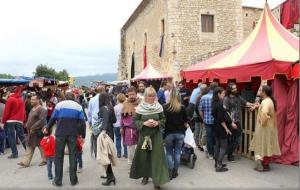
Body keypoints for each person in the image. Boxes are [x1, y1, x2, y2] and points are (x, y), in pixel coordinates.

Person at [43, 92, 86, 187]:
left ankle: (58, 181)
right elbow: (82, 123)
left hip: (60, 134)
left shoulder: (59, 105)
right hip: (73, 135)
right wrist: (83, 136)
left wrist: (47, 128)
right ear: (73, 98)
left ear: (65, 97)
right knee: (73, 156)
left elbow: (53, 118)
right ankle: (73, 180)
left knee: (58, 157)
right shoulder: (78, 107)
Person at [130, 87, 169, 190]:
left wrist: (158, 123)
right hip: (144, 137)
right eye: (149, 96)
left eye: (153, 95)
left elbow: (163, 119)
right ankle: (145, 176)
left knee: (157, 158)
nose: (151, 98)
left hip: (156, 136)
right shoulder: (139, 108)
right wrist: (144, 123)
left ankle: (157, 181)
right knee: (145, 157)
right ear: (146, 96)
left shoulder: (159, 107)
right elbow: (135, 121)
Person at [249, 85, 281, 172]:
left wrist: (262, 122)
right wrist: (258, 106)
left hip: (264, 127)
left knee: (260, 144)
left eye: (261, 90)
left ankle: (260, 165)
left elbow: (264, 113)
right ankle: (266, 164)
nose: (259, 91)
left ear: (264, 92)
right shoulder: (268, 100)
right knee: (268, 144)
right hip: (270, 127)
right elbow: (265, 110)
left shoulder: (266, 102)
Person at [224, 82, 254, 162]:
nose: (235, 89)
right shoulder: (226, 99)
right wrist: (231, 122)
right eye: (233, 88)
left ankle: (227, 152)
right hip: (230, 122)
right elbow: (226, 111)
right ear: (230, 89)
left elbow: (246, 103)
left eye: (235, 88)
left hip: (237, 121)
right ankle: (229, 155)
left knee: (238, 139)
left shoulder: (238, 97)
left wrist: (254, 105)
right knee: (230, 139)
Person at [163, 89, 189, 180]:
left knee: (169, 153)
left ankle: (170, 171)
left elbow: (163, 121)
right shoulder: (182, 107)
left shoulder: (165, 107)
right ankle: (175, 171)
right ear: (179, 97)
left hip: (169, 133)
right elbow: (186, 121)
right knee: (177, 153)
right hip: (180, 133)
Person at [17, 95, 47, 167]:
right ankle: (26, 162)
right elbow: (30, 118)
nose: (31, 101)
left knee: (40, 145)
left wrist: (33, 127)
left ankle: (45, 160)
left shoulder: (41, 109)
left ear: (38, 100)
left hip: (37, 131)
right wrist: (27, 124)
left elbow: (42, 120)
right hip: (31, 131)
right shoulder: (32, 108)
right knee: (30, 145)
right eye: (31, 100)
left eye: (33, 100)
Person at [212, 87, 235, 172]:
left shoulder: (214, 103)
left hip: (216, 126)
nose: (224, 95)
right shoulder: (219, 104)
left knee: (217, 145)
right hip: (221, 127)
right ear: (218, 94)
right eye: (223, 94)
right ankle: (219, 165)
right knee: (223, 147)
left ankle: (217, 163)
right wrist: (226, 129)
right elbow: (221, 119)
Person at [97, 92, 117, 186]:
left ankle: (110, 177)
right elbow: (114, 120)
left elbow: (104, 120)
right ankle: (110, 176)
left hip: (105, 133)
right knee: (107, 155)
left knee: (105, 155)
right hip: (110, 132)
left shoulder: (103, 108)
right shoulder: (110, 107)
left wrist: (104, 130)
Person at [2, 86, 27, 159]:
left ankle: (15, 153)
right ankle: (28, 151)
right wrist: (24, 120)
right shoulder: (21, 99)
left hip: (10, 121)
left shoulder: (10, 99)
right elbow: (24, 112)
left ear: (9, 92)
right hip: (19, 120)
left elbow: (6, 112)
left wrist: (3, 122)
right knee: (22, 136)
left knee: (11, 137)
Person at [121, 87, 141, 170]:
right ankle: (131, 166)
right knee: (130, 149)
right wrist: (121, 127)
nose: (131, 96)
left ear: (136, 94)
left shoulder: (141, 102)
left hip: (140, 128)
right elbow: (122, 117)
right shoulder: (125, 103)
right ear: (127, 95)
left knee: (140, 148)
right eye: (130, 95)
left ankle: (140, 165)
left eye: (133, 94)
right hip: (129, 129)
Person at [199, 82, 218, 159]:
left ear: (210, 88)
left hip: (207, 120)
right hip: (216, 120)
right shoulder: (217, 97)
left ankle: (211, 154)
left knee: (209, 137)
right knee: (215, 136)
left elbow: (200, 109)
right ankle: (215, 152)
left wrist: (203, 118)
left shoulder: (204, 97)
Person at [88, 86, 105, 158]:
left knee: (95, 138)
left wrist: (89, 122)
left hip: (95, 121)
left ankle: (96, 153)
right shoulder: (106, 99)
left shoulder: (92, 100)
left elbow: (89, 112)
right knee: (103, 138)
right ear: (103, 90)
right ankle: (103, 153)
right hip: (103, 120)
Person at [194, 84, 209, 151]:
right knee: (202, 131)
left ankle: (199, 144)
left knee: (199, 131)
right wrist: (202, 118)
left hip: (199, 116)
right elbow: (198, 109)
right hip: (201, 117)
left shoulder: (199, 97)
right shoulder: (201, 97)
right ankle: (201, 145)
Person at [113, 93, 127, 158]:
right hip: (124, 125)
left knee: (118, 139)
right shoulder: (125, 106)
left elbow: (113, 117)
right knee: (124, 138)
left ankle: (119, 153)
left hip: (116, 125)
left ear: (118, 99)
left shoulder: (115, 107)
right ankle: (126, 153)